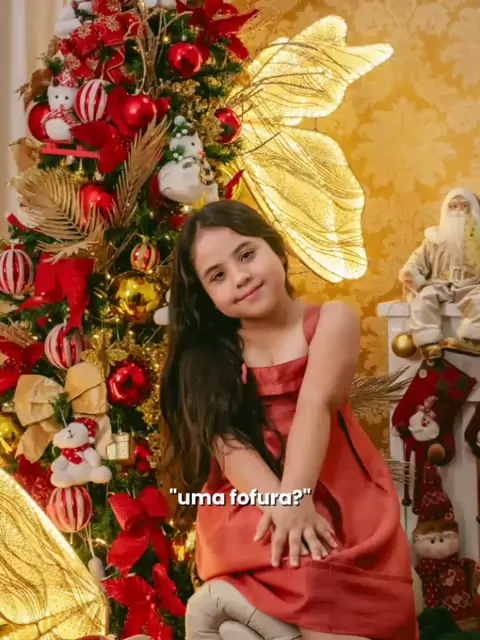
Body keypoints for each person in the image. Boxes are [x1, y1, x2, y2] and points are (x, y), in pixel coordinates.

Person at [160, 200, 418, 640]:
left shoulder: (332, 319)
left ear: (276, 249)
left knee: (332, 562)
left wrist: (298, 497)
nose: (240, 277)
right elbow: (229, 447)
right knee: (297, 556)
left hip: (333, 481)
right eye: (217, 276)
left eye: (246, 254)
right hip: (253, 495)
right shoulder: (204, 357)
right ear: (206, 295)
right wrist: (282, 506)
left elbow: (314, 406)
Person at [399, 187, 480, 360]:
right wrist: (410, 272)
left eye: (463, 206)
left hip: (471, 284)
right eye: (453, 206)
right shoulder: (434, 238)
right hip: (440, 283)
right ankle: (429, 344)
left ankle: (473, 341)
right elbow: (417, 259)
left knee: (479, 300)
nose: (458, 211)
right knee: (424, 299)